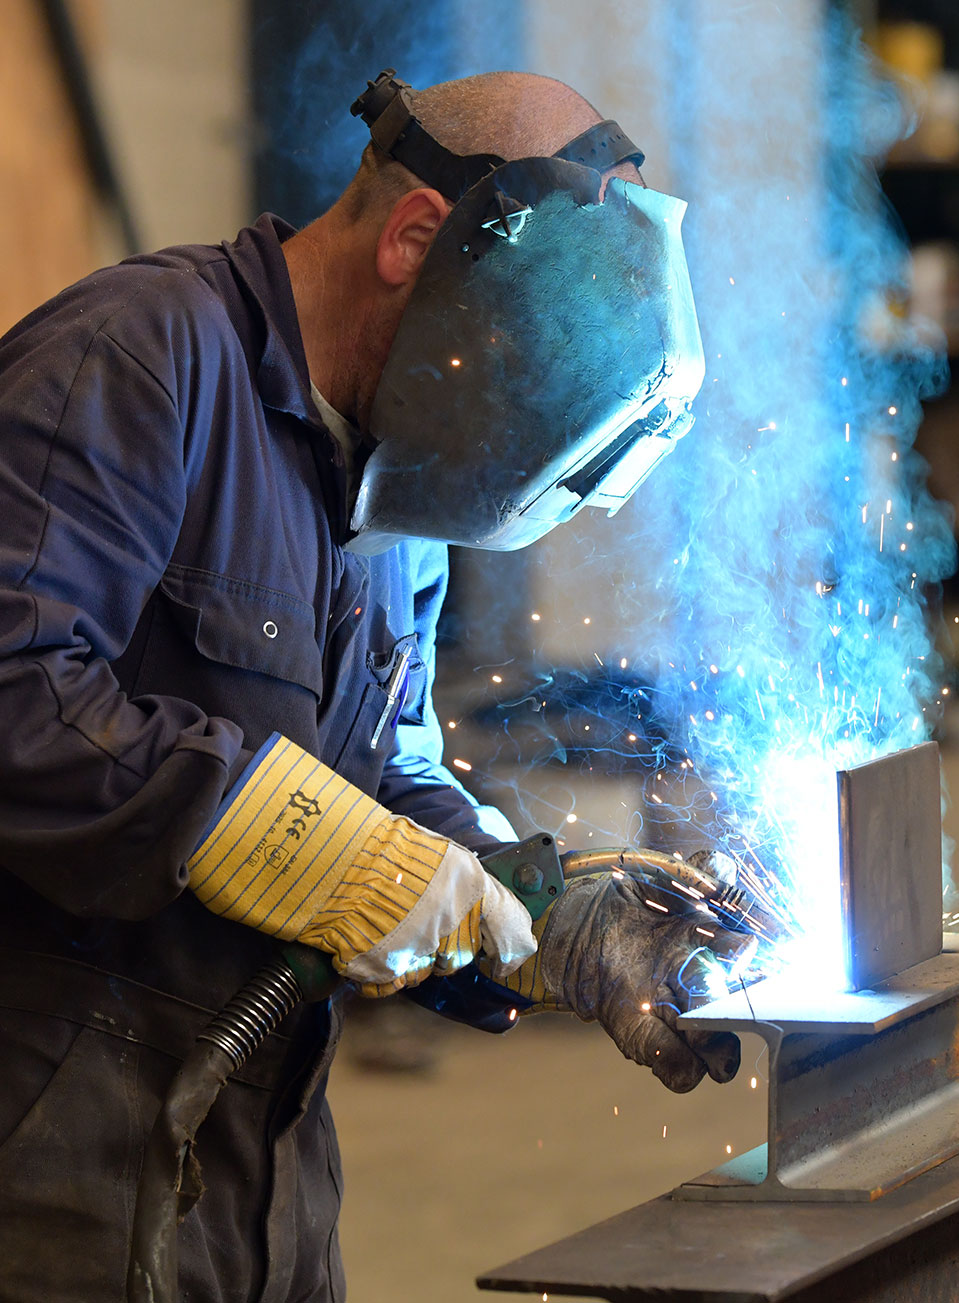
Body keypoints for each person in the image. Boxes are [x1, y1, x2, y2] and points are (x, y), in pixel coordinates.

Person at [0, 68, 741, 1302]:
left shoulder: (396, 479)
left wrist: (536, 912)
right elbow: (16, 688)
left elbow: (387, 767)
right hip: (55, 1144)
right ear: (412, 240)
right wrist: (302, 846)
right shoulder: (136, 360)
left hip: (265, 1162)